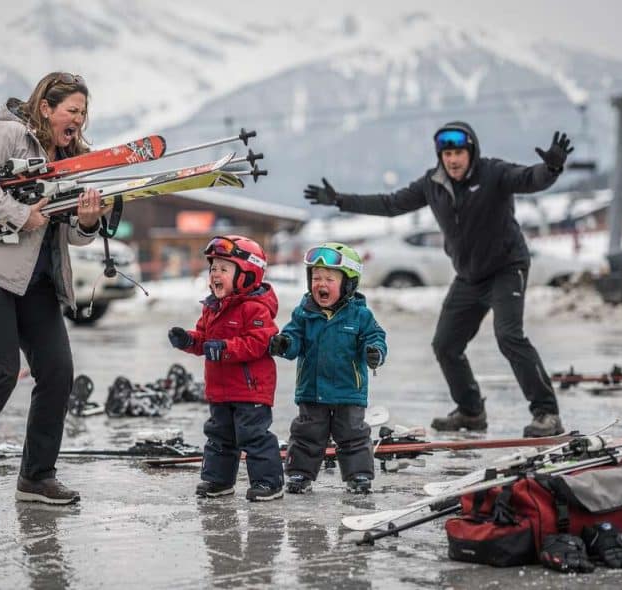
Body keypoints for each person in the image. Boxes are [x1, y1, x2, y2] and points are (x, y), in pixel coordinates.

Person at [303, 122, 573, 438]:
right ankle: (471, 411)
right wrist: (341, 200)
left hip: (506, 267)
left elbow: (529, 179)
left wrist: (552, 166)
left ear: (471, 153)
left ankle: (547, 413)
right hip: (469, 275)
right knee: (446, 345)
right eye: (447, 154)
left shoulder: (494, 173)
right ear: (440, 156)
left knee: (509, 336)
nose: (453, 160)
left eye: (459, 152)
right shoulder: (432, 184)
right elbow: (391, 204)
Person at [0, 72, 112, 506]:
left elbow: (70, 232)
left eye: (84, 113)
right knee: (0, 370)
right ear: (46, 109)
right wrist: (16, 212)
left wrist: (88, 221)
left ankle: (36, 477)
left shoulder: (72, 158)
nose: (79, 119)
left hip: (36, 278)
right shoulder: (11, 135)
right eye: (73, 110)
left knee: (57, 371)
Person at [168, 235, 285, 502]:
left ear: (247, 274)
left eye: (224, 268)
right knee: (219, 436)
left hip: (250, 390)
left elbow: (258, 343)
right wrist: (188, 340)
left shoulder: (255, 308)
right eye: (213, 268)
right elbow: (204, 340)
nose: (215, 274)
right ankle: (218, 481)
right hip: (220, 391)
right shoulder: (212, 308)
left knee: (254, 436)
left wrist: (225, 348)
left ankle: (269, 482)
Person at [269, 242, 387, 494]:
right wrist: (284, 343)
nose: (320, 284)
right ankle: (300, 474)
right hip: (312, 389)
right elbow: (294, 338)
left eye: (329, 279)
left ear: (348, 284)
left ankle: (358, 476)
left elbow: (375, 337)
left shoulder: (360, 315)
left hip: (348, 391)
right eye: (316, 277)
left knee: (353, 435)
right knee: (306, 433)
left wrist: (374, 352)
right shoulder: (304, 313)